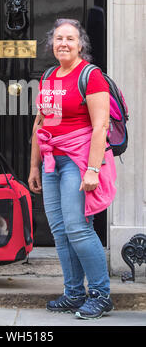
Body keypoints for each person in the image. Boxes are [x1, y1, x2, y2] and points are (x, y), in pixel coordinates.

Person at [28, 18, 117, 320]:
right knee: (60, 230)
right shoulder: (50, 76)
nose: (63, 43)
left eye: (70, 38)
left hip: (79, 162)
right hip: (53, 160)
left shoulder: (91, 77)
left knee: (78, 228)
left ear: (81, 45)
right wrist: (34, 166)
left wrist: (93, 169)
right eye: (58, 39)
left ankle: (101, 295)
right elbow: (42, 124)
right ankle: (74, 293)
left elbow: (100, 125)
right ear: (51, 44)